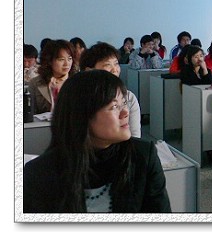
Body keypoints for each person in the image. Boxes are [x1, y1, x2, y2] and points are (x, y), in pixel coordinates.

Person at [23, 70, 171, 213]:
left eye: (124, 102)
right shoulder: (39, 174)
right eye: (114, 106)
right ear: (82, 115)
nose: (125, 112)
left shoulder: (143, 156)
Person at [80, 42, 141, 137]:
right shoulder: (81, 98)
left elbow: (135, 137)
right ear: (89, 71)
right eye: (107, 65)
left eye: (116, 64)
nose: (114, 70)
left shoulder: (129, 97)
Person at [27, 39, 75, 114]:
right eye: (61, 59)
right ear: (49, 61)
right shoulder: (35, 83)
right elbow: (30, 112)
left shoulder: (76, 81)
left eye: (69, 59)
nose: (67, 64)